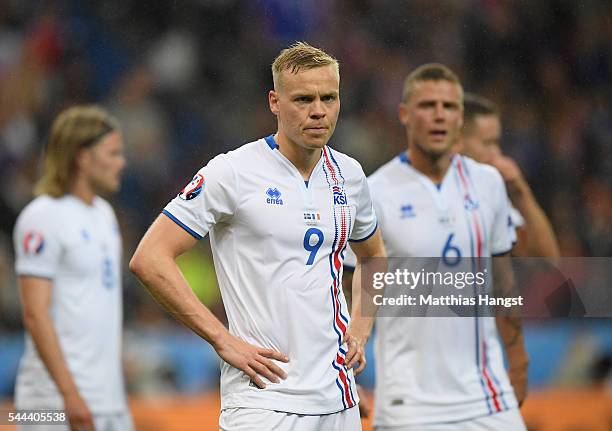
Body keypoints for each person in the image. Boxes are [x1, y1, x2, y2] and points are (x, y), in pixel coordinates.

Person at [129, 42, 386, 431]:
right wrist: (221, 339)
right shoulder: (232, 172)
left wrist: (361, 328)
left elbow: (374, 256)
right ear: (274, 102)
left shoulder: (349, 175)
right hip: (262, 401)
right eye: (303, 99)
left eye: (328, 97)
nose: (318, 110)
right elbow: (149, 258)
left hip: (339, 400)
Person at [344, 64, 528, 430]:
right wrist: (345, 375)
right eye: (428, 105)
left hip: (487, 395)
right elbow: (342, 291)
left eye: (449, 106)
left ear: (461, 117)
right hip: (408, 402)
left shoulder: (487, 183)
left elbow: (503, 283)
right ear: (404, 114)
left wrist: (518, 359)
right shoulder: (374, 191)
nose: (439, 115)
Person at [13, 105, 132, 430]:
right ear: (82, 157)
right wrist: (69, 395)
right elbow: (35, 314)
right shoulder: (42, 217)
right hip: (54, 401)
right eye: (113, 153)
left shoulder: (104, 214)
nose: (122, 163)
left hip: (108, 399)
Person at [458, 93, 560, 258]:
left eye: (497, 143)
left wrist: (521, 192)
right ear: (458, 141)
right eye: (488, 143)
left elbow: (546, 259)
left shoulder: (489, 191)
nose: (496, 152)